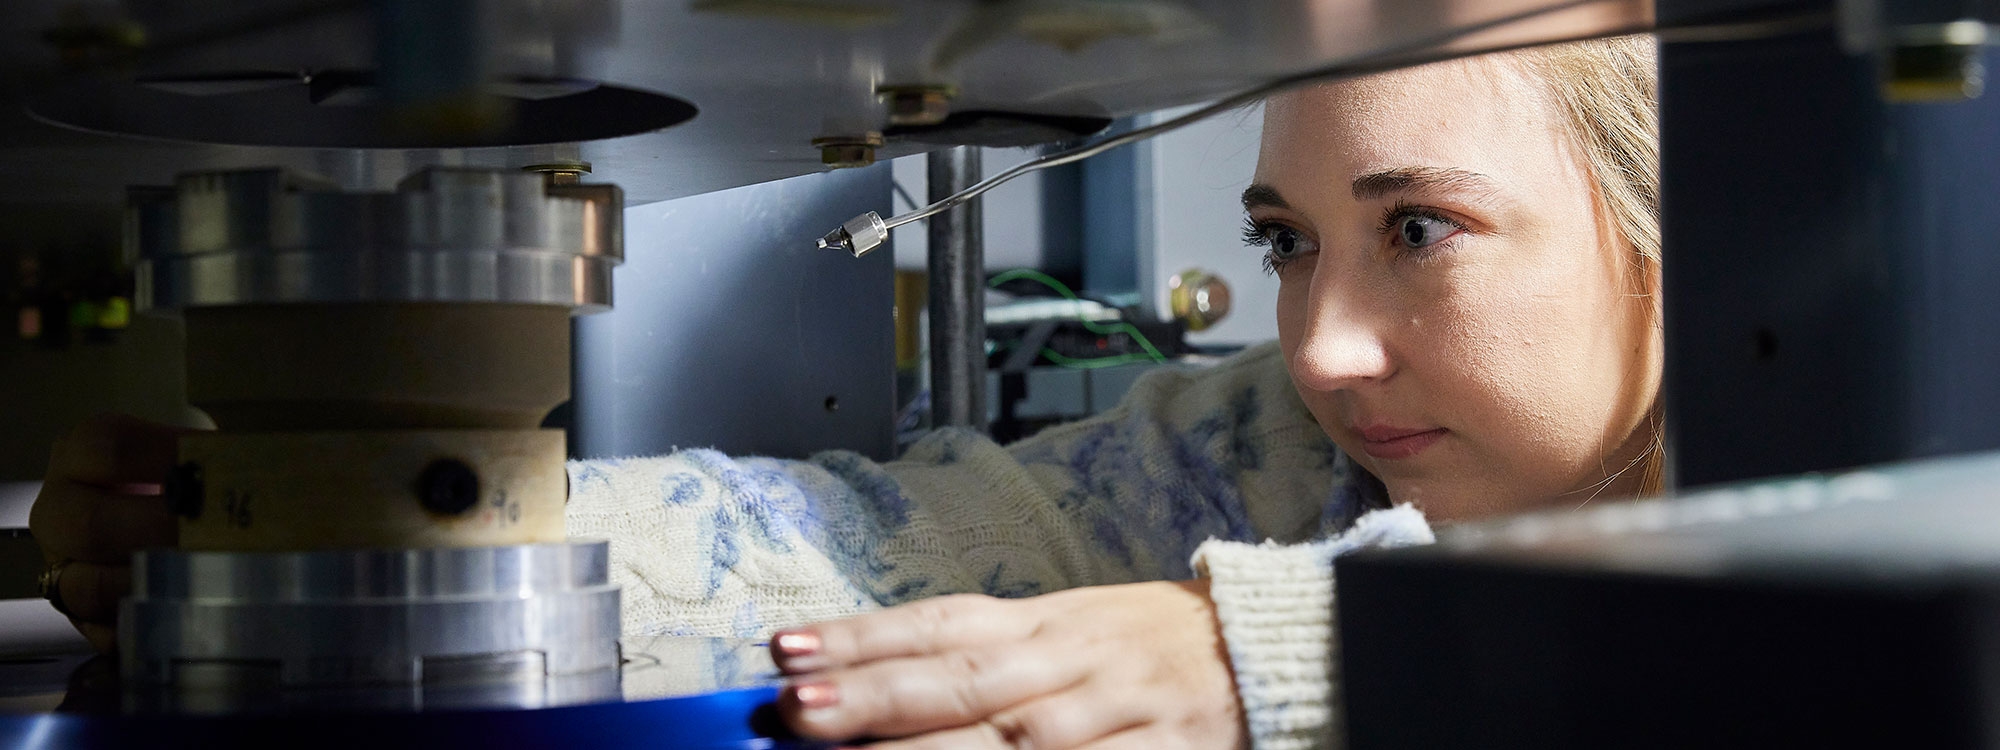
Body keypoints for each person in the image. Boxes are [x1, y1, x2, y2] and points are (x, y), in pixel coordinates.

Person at [31, 35, 1660, 750]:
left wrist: (1288, 661)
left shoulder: (1894, 487)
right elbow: (876, 543)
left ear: (1692, 225)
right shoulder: (1272, 448)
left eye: (1421, 230)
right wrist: (353, 548)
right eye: (1289, 241)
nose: (1323, 346)